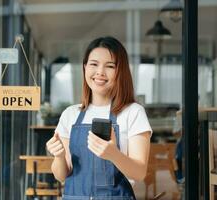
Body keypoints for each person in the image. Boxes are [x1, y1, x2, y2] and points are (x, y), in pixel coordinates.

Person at [46, 36, 152, 200]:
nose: (100, 72)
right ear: (85, 67)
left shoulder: (133, 113)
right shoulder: (70, 115)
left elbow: (139, 173)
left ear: (120, 71)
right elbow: (61, 175)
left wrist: (113, 154)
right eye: (94, 64)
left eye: (110, 66)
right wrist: (58, 156)